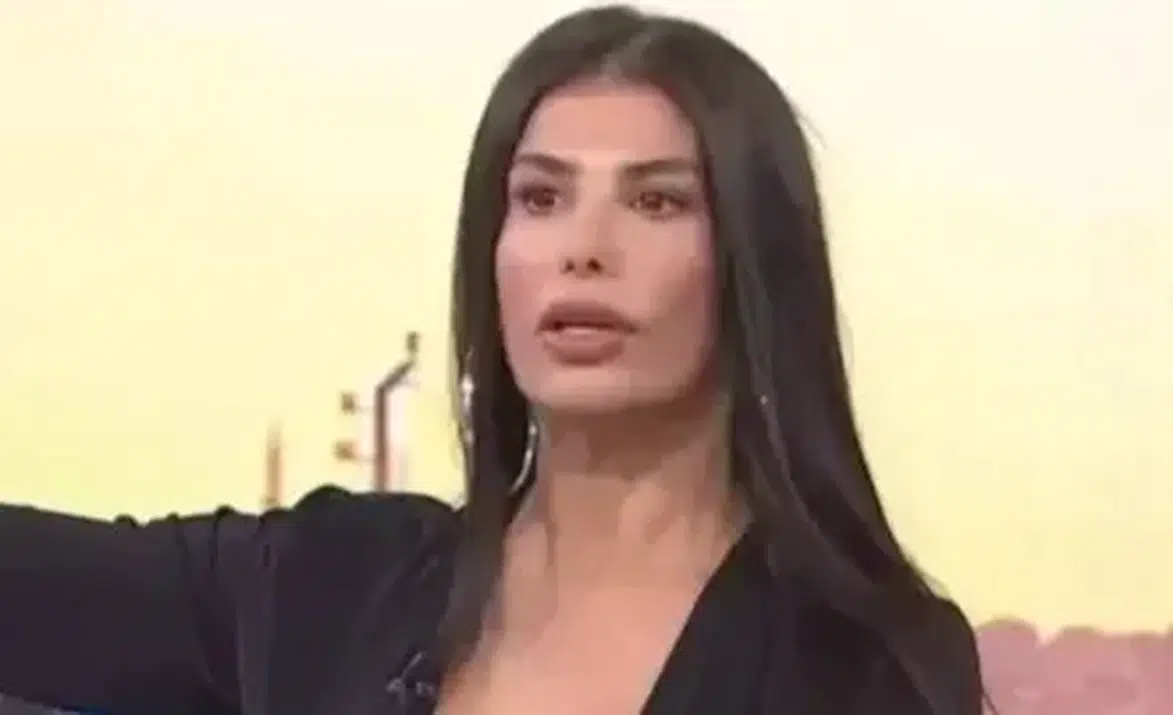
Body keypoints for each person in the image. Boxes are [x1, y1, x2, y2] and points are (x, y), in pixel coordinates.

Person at [0, 5, 982, 715]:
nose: (582, 248)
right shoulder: (331, 584)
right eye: (540, 198)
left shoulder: (858, 665)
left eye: (656, 201)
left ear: (752, 266)